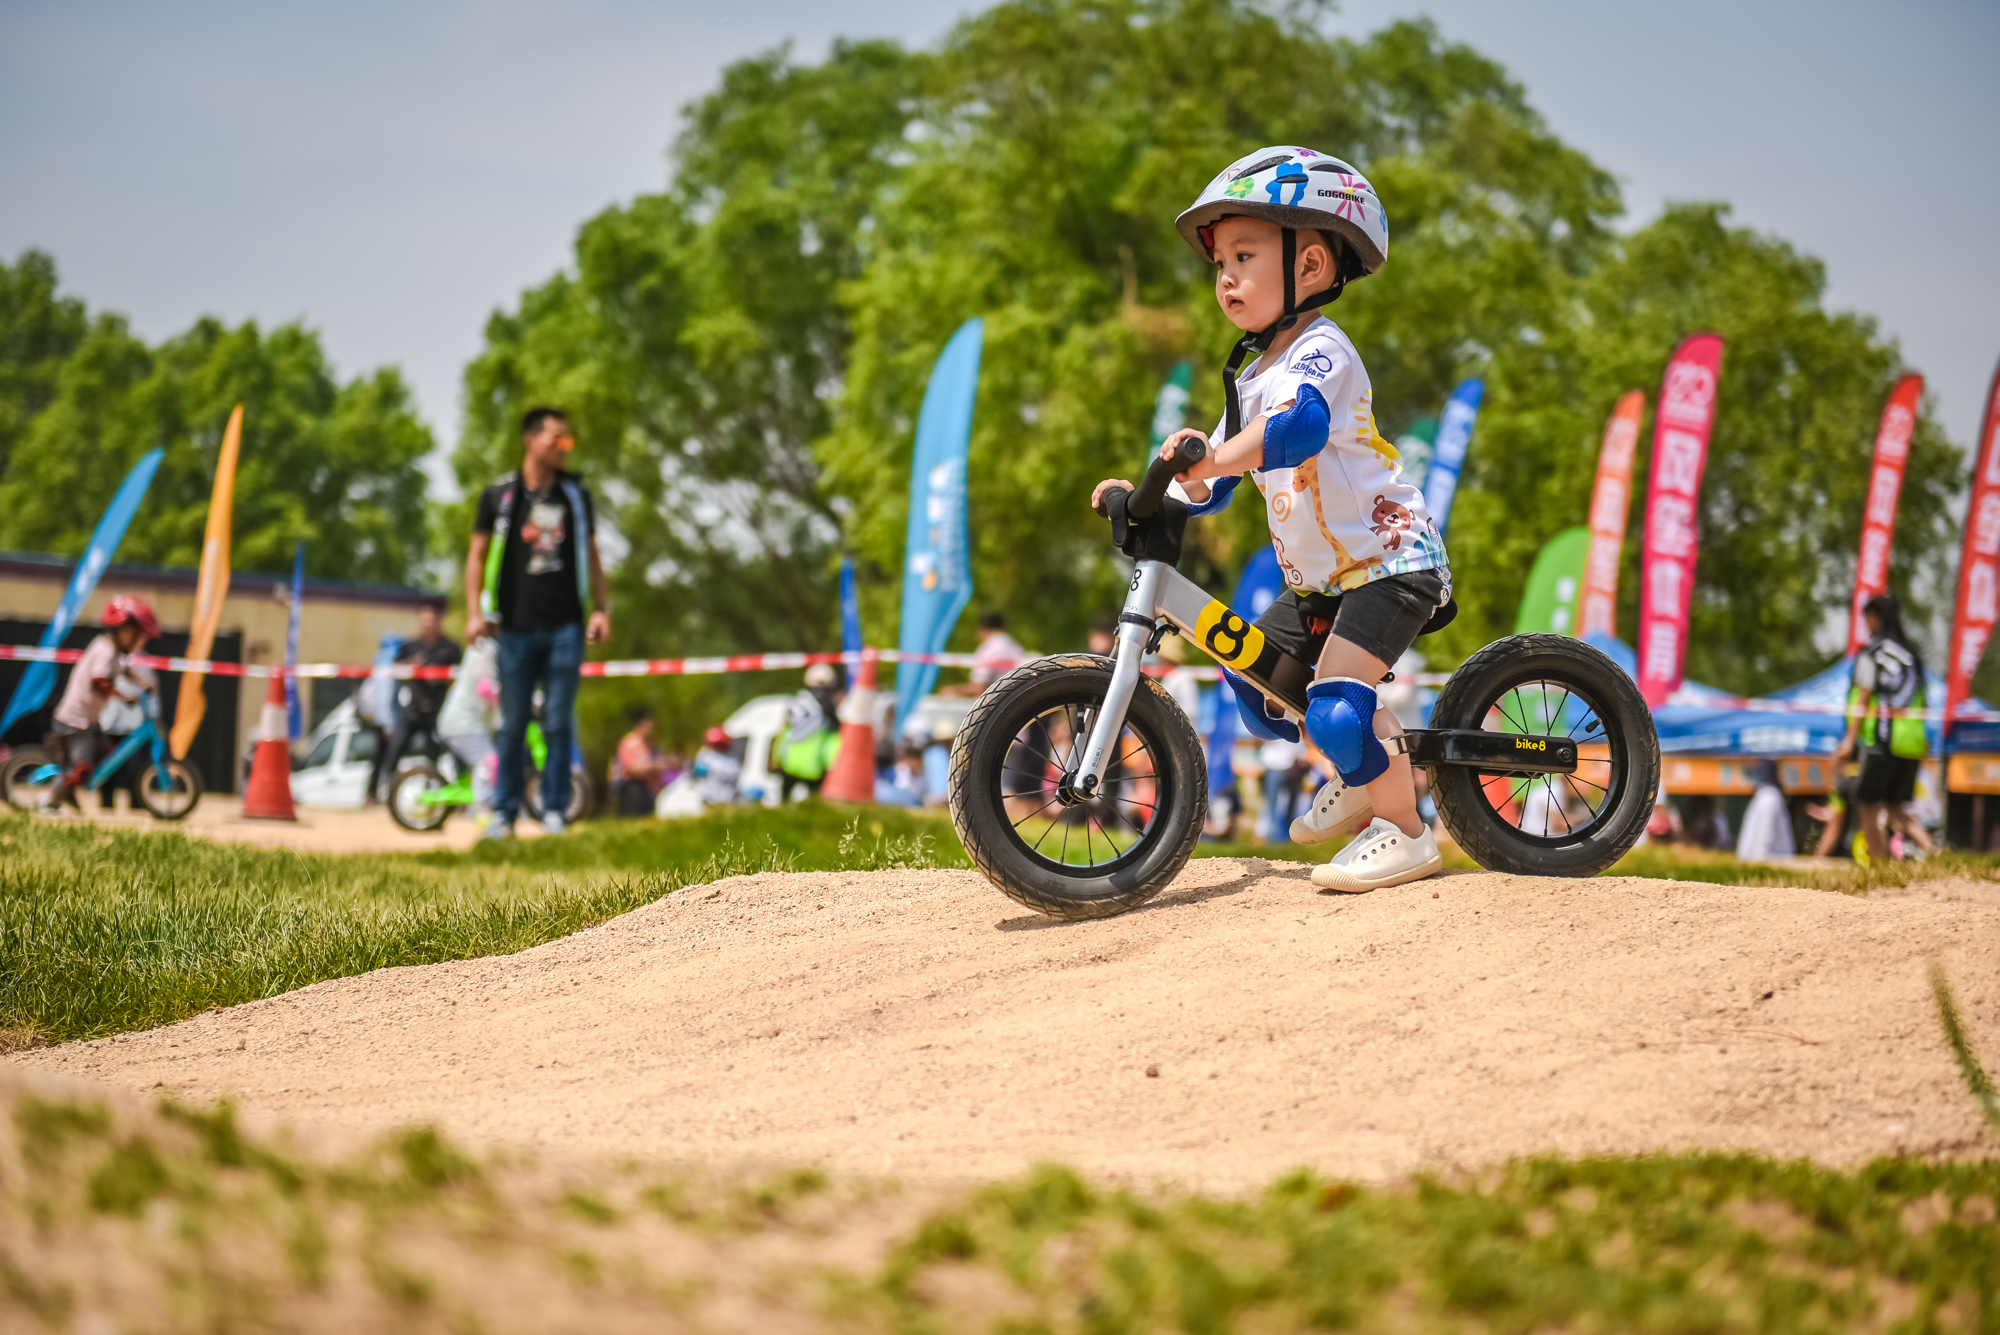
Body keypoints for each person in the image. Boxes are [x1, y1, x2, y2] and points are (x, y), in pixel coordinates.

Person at [1092, 146, 1445, 892]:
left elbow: (1301, 428)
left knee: (1338, 710)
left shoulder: (1321, 352)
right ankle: (1363, 769)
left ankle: (1406, 832)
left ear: (1311, 265)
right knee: (1258, 685)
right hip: (1322, 581)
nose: (1225, 277)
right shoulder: (1251, 377)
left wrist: (1215, 461)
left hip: (1388, 562)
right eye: (1219, 261)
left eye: (1244, 256)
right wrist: (1150, 490)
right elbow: (1213, 483)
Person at [464, 406, 610, 839]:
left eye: (568, 440)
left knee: (559, 723)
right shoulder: (500, 497)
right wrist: (474, 612)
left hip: (566, 627)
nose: (565, 447)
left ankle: (554, 812)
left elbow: (593, 554)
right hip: (512, 630)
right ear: (531, 441)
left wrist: (601, 608)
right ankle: (504, 814)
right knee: (511, 724)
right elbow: (476, 556)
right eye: (556, 439)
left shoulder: (575, 497)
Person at [1835, 593, 1927, 863]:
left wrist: (1849, 741)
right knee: (1896, 809)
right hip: (1910, 741)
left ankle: (1879, 867)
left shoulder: (1873, 651)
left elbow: (1863, 696)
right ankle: (1935, 851)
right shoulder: (1913, 653)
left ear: (1874, 618)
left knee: (1867, 805)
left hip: (1881, 742)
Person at [47, 596, 159, 811]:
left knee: (106, 755)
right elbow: (100, 682)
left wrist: (142, 683)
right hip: (76, 721)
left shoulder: (115, 653)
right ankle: (51, 799)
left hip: (90, 721)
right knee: (81, 767)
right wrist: (123, 696)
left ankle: (68, 792)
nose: (139, 641)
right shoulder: (105, 650)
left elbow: (123, 670)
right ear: (122, 630)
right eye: (137, 635)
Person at [371, 605, 461, 803]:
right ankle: (384, 793)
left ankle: (451, 794)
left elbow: (461, 675)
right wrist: (409, 665)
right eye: (424, 621)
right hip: (412, 708)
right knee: (394, 749)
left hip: (439, 710)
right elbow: (392, 669)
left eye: (431, 621)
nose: (428, 625)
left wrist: (445, 677)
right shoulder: (409, 646)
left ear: (438, 622)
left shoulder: (450, 648)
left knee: (446, 751)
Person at [434, 633, 502, 816]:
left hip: (467, 723)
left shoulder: (487, 647)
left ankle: (484, 806)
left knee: (486, 761)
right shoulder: (485, 648)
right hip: (463, 724)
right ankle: (484, 810)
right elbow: (485, 687)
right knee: (488, 762)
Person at [775, 663, 843, 797]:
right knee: (814, 805)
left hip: (789, 762)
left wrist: (775, 759)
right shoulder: (827, 706)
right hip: (813, 765)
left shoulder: (796, 701)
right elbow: (836, 732)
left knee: (784, 801)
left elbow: (782, 732)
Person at [943, 613, 1029, 698]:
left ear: (981, 630)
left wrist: (952, 691)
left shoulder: (989, 649)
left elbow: (979, 687)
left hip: (997, 703)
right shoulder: (1015, 647)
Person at [611, 706, 669, 816]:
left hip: (646, 789)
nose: (651, 730)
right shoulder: (630, 743)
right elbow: (630, 769)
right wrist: (655, 766)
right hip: (632, 790)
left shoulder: (647, 745)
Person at [1735, 758, 1795, 861]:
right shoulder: (1765, 796)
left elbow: (1765, 837)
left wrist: (1759, 866)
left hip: (1766, 865)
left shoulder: (1769, 798)